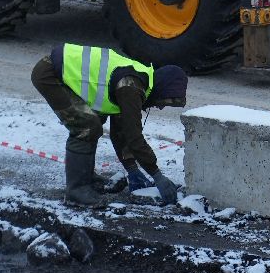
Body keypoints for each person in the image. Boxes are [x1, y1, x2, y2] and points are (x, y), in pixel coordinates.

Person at [31, 43, 187, 207]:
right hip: (50, 74)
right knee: (86, 127)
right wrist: (157, 175)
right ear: (161, 89)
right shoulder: (131, 87)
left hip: (56, 70)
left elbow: (121, 132)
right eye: (164, 101)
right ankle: (76, 190)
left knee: (93, 124)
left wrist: (132, 168)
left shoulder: (138, 81)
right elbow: (134, 137)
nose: (161, 106)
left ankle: (86, 178)